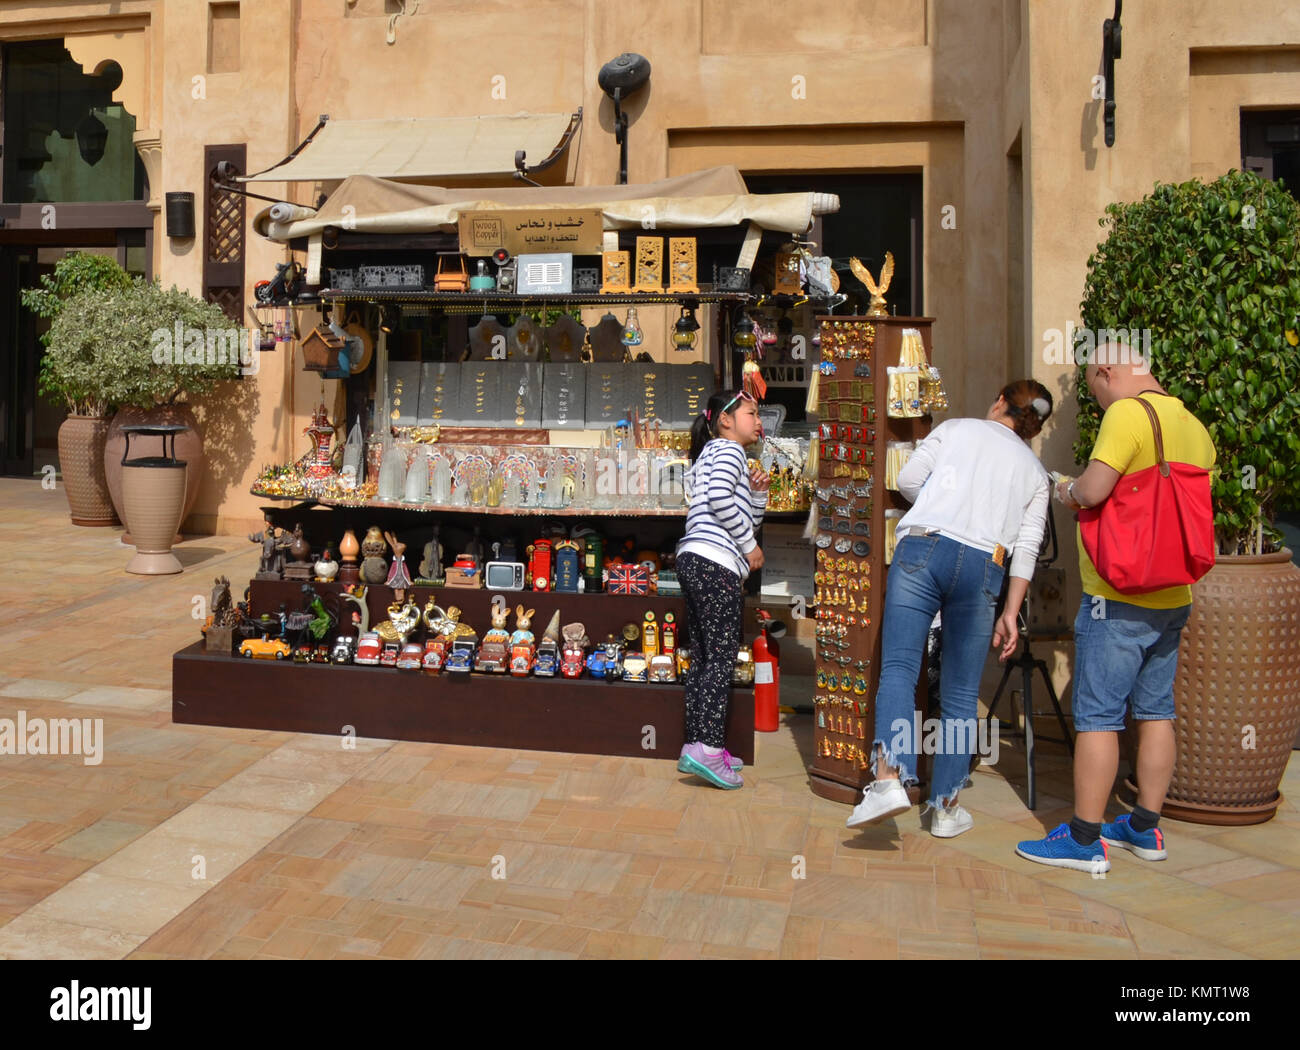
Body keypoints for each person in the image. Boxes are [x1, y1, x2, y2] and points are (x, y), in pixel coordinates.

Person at [1016, 340, 1215, 874]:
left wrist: (1065, 491)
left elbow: (1095, 490)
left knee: (1099, 717)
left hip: (1119, 597)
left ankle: (1083, 840)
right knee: (1155, 711)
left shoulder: (1128, 414)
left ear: (1106, 372)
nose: (1097, 399)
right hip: (1174, 596)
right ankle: (1144, 829)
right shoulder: (1192, 423)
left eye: (1094, 387)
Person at [847, 380, 1053, 837]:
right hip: (986, 566)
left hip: (924, 547)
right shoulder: (1036, 473)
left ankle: (887, 781)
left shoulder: (956, 428)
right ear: (1034, 428)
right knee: (961, 694)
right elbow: (1027, 549)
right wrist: (1010, 611)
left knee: (900, 668)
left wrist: (945, 502)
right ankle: (945, 808)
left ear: (999, 401)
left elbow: (907, 482)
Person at [675, 389, 769, 789]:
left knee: (702, 656)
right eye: (751, 412)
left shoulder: (709, 456)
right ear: (726, 421)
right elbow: (719, 501)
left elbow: (735, 508)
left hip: (693, 559)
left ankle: (697, 743)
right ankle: (710, 750)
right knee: (721, 658)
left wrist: (758, 493)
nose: (758, 421)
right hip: (717, 563)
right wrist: (749, 546)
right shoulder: (731, 453)